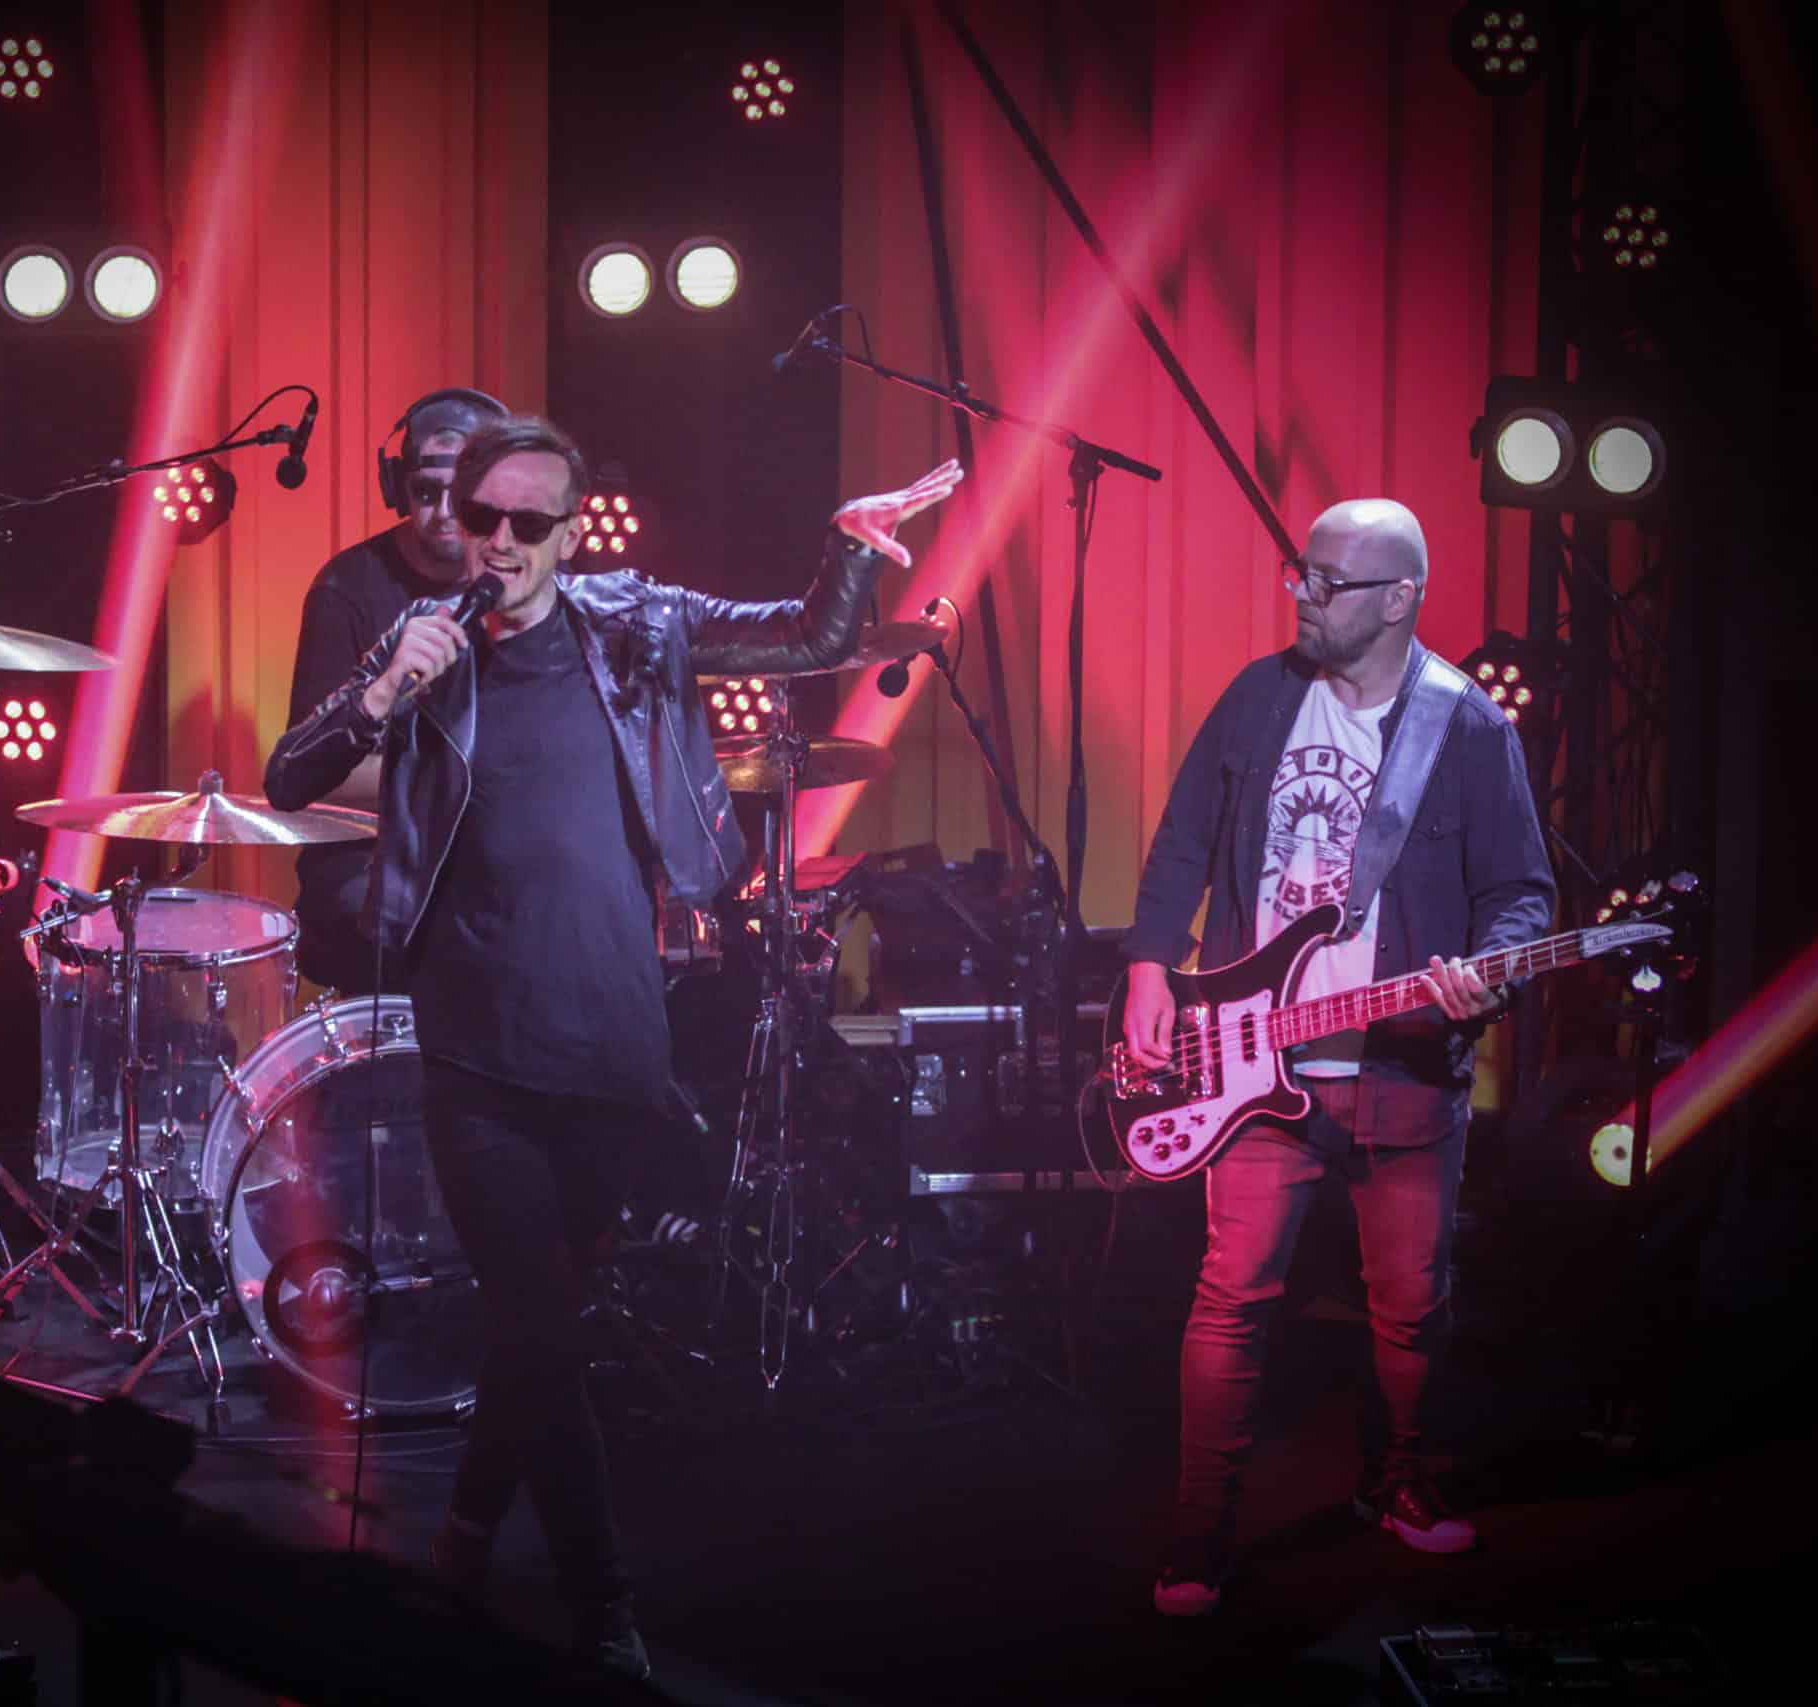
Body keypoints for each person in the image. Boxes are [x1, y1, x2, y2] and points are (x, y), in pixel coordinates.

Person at [266, 415, 961, 1676]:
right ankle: (603, 1608)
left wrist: (851, 547)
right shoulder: (425, 645)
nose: (499, 543)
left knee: (540, 1328)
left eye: (528, 523)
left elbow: (807, 639)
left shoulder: (632, 623)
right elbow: (285, 777)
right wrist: (382, 687)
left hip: (610, 1038)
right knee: (539, 1325)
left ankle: (465, 1529)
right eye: (482, 518)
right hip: (475, 1045)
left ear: (569, 532)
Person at [1118, 498, 1554, 1617]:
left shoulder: (1467, 727)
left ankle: (1398, 1479)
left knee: (1410, 1303)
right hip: (1254, 1065)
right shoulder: (1260, 697)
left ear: (1401, 597)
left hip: (1401, 1067)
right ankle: (1197, 1531)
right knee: (1231, 1297)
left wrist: (1489, 970)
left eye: (1328, 582)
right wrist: (1149, 967)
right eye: (1299, 574)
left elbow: (1520, 893)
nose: (1303, 597)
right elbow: (1181, 842)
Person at [283, 387, 510, 995]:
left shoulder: (532, 586)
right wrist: (457, 780)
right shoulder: (347, 589)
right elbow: (315, 775)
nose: (444, 512)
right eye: (425, 493)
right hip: (370, 860)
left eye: (463, 495)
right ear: (396, 489)